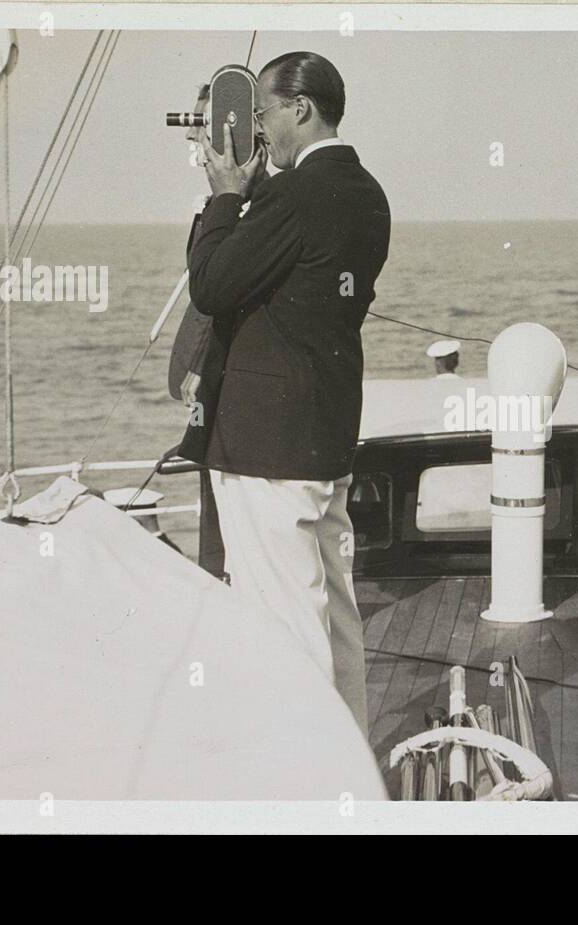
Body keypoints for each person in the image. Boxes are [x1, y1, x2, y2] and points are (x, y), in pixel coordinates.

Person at [180, 51, 392, 736]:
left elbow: (212, 286)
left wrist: (224, 194)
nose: (258, 131)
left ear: (300, 108)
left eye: (263, 113)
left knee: (284, 634)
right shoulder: (366, 192)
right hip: (322, 438)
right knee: (333, 620)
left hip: (268, 449)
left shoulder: (291, 196)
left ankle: (306, 791)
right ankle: (349, 774)